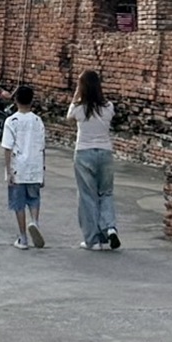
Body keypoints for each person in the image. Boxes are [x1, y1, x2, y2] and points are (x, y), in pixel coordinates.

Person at [67, 69, 120, 250]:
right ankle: (110, 228)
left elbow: (69, 117)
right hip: (105, 153)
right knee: (106, 193)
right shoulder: (109, 107)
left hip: (84, 152)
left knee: (87, 196)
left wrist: (77, 93)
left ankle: (93, 240)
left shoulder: (79, 108)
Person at [2, 84, 45, 248]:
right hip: (35, 166)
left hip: (18, 168)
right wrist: (43, 170)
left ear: (16, 100)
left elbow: (7, 148)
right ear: (32, 101)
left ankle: (23, 238)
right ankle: (34, 222)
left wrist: (8, 171)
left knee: (18, 203)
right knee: (34, 199)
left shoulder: (11, 121)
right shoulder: (38, 121)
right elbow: (42, 147)